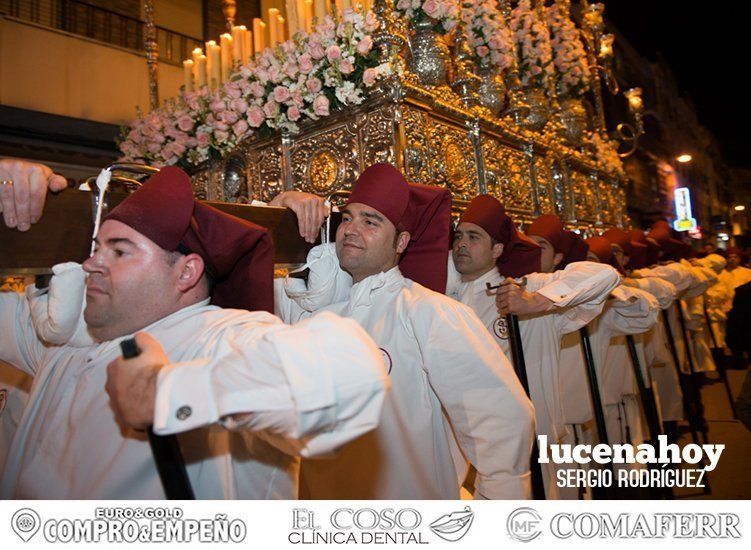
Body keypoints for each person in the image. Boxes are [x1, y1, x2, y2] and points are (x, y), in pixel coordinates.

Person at [0, 164, 390, 499]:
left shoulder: (215, 336)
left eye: (119, 251)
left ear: (186, 272)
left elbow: (350, 373)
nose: (91, 265)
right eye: (96, 249)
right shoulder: (61, 340)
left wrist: (165, 392)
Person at [275, 164, 536, 499]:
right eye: (348, 218)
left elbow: (502, 423)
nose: (351, 229)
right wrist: (280, 207)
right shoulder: (319, 315)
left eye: (371, 222)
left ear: (401, 242)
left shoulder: (431, 313)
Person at [448, 202, 620, 498]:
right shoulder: (444, 297)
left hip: (527, 449)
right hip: (462, 447)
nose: (462, 244)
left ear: (498, 250)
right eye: (459, 236)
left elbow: (604, 275)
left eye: (474, 237)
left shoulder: (526, 286)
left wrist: (536, 302)